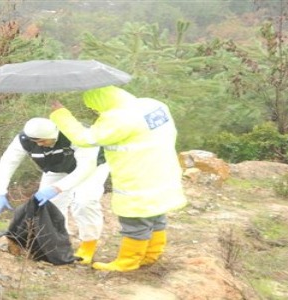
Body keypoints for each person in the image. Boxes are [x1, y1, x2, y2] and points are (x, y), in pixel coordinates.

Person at [49, 85, 188, 272]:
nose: (95, 110)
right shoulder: (153, 105)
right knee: (155, 214)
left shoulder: (118, 119)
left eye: (94, 106)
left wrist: (61, 114)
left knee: (135, 220)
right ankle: (151, 254)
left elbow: (85, 138)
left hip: (138, 177)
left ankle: (128, 262)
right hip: (163, 172)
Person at [0, 117, 109, 264]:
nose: (38, 144)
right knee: (50, 206)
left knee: (84, 201)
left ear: (54, 134)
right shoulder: (24, 139)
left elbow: (85, 168)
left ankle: (88, 245)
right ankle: (59, 243)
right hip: (56, 168)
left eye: (43, 141)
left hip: (92, 167)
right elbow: (7, 163)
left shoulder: (77, 133)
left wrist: (58, 187)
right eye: (35, 141)